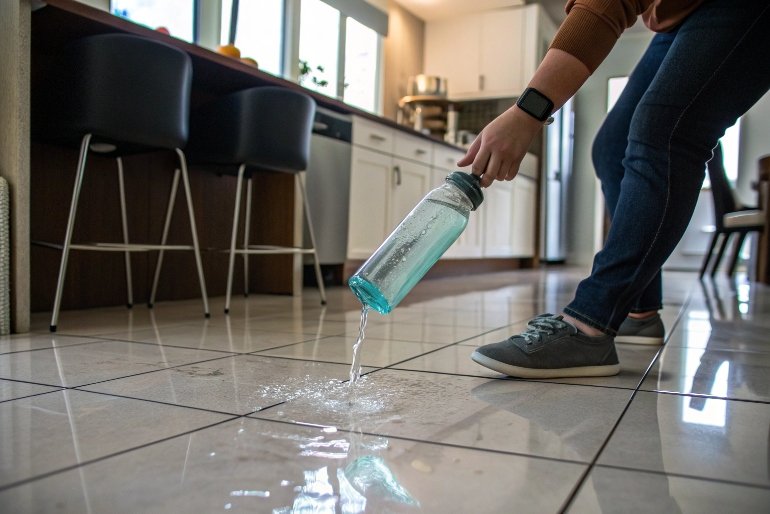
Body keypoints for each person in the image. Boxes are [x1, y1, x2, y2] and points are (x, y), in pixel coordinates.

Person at [462, 0, 770, 379]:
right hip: (681, 14)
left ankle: (591, 324)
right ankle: (638, 312)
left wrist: (528, 112)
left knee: (665, 132)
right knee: (612, 146)